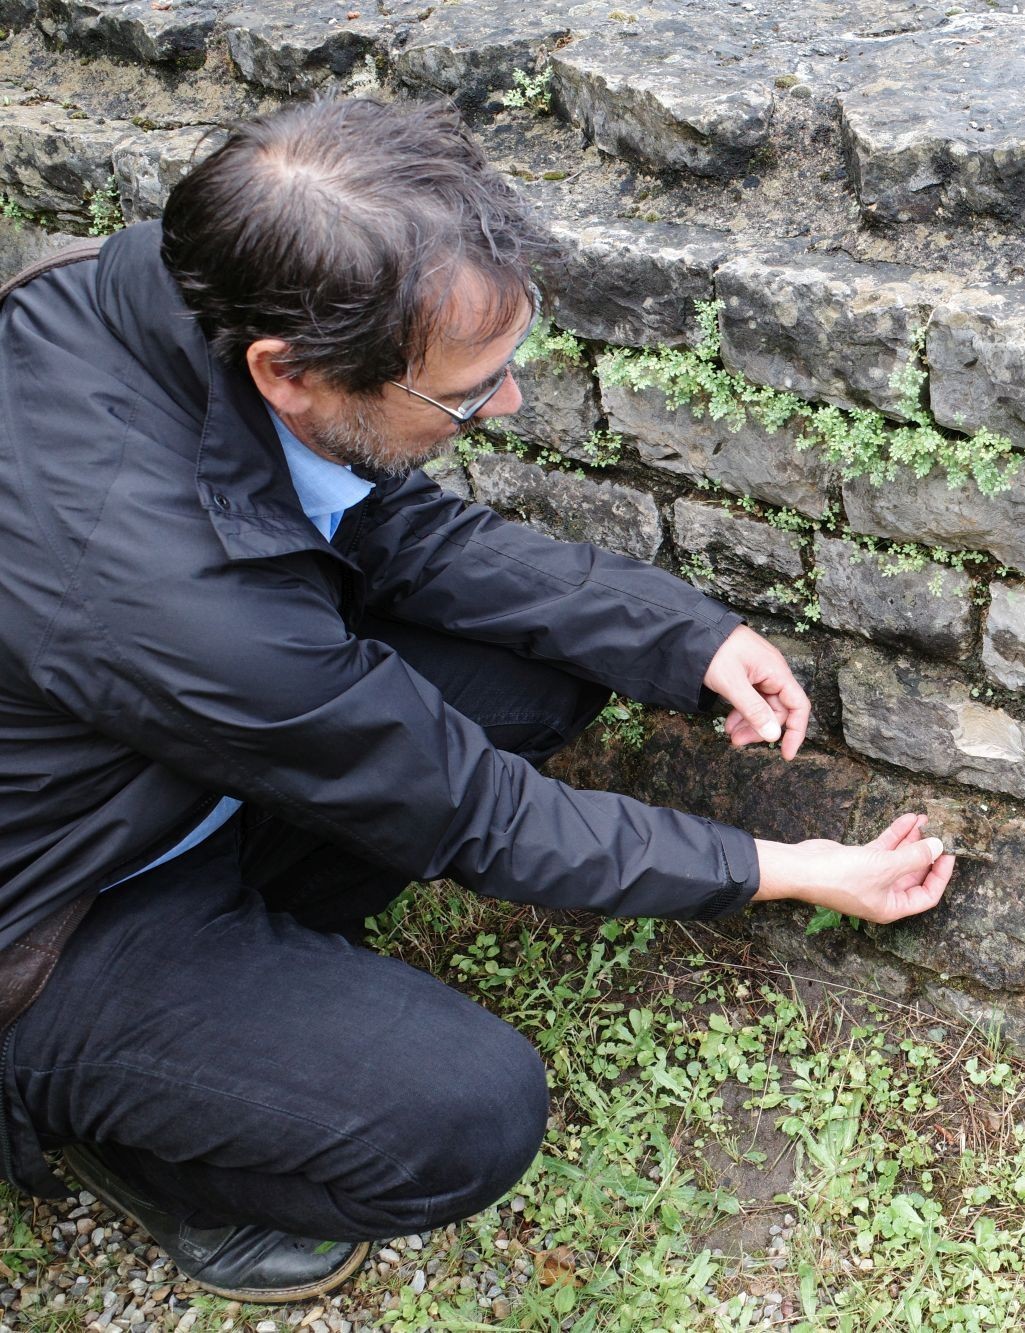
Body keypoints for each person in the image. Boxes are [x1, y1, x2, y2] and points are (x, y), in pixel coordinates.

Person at [0, 96, 955, 1304]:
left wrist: (682, 633)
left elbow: (380, 518)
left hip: (152, 768)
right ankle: (135, 1133)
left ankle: (256, 962)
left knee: (542, 661)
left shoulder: (153, 294)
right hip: (57, 914)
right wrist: (791, 867)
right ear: (288, 374)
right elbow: (476, 816)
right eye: (464, 396)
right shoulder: (181, 606)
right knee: (462, 1113)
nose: (503, 408)